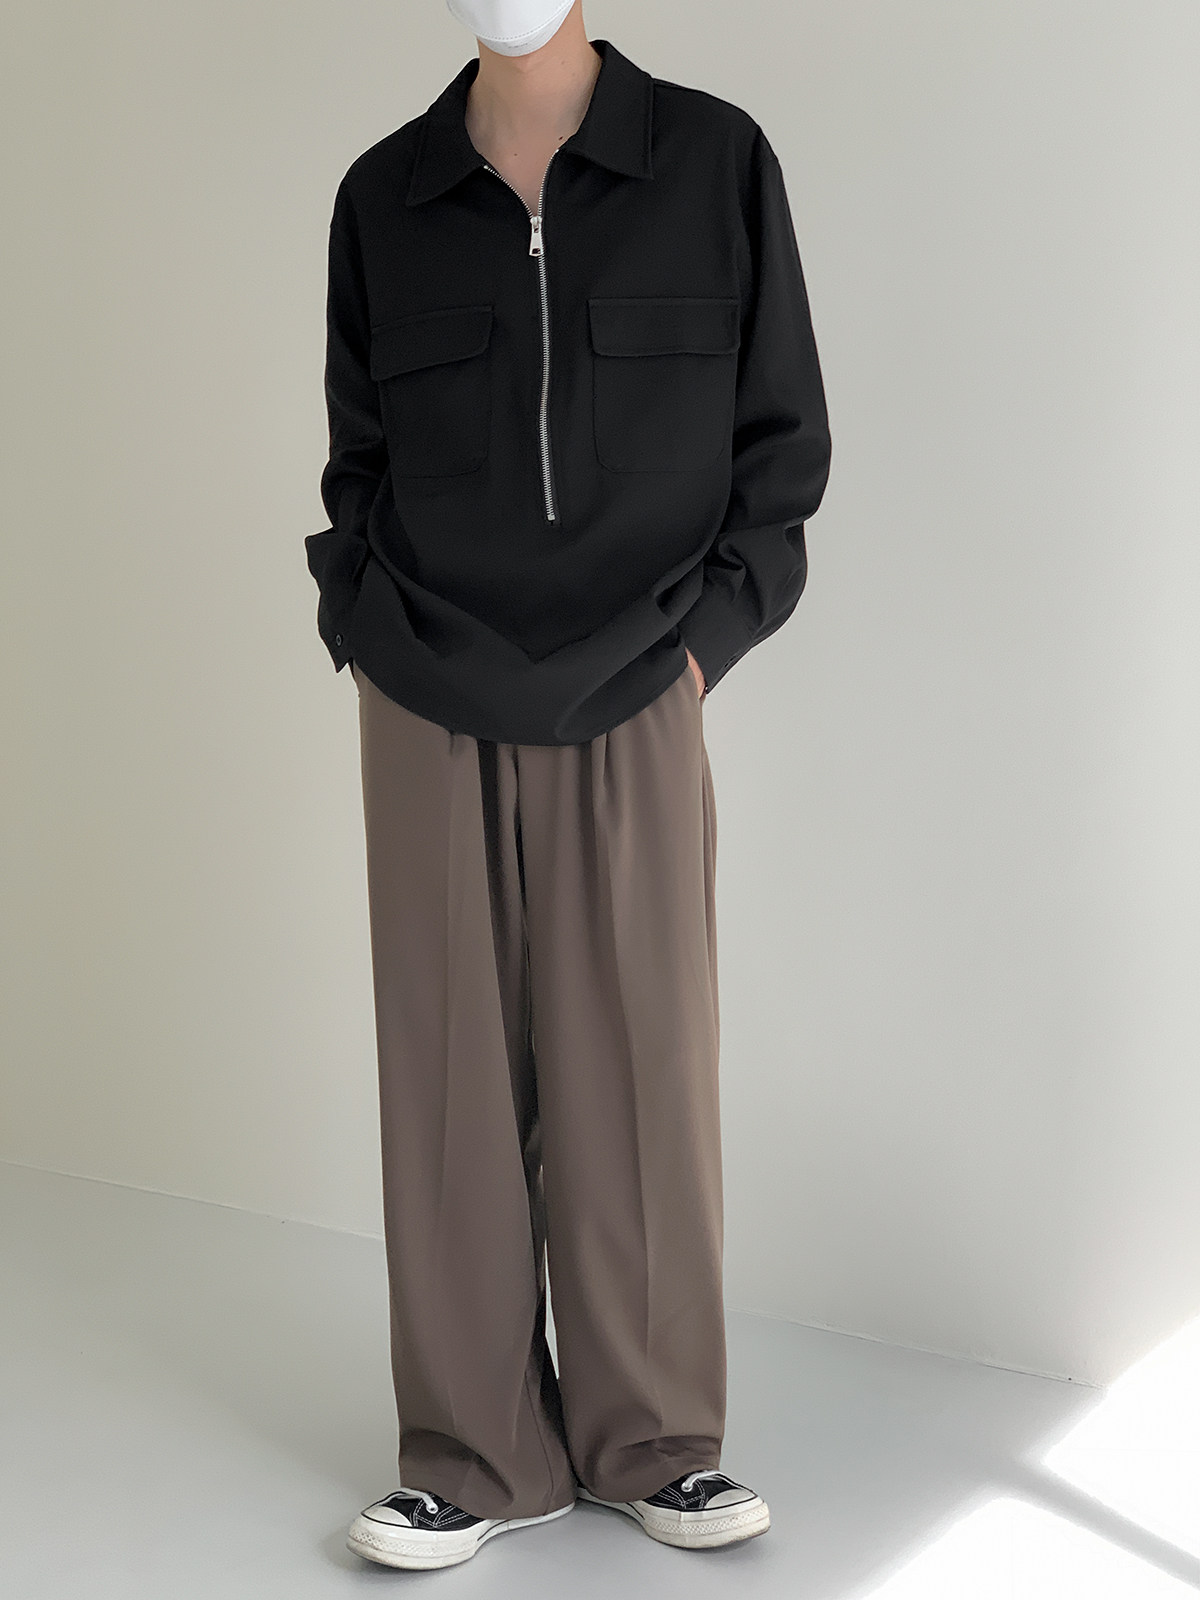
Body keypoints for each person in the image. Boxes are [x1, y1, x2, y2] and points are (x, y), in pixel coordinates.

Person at [306, 0, 831, 1571]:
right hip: (427, 682)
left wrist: (696, 656)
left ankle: (654, 1440)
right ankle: (472, 1456)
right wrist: (363, 625)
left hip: (639, 674)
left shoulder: (714, 163)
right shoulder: (383, 195)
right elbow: (357, 462)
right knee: (448, 1076)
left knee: (640, 1063)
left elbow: (781, 452)